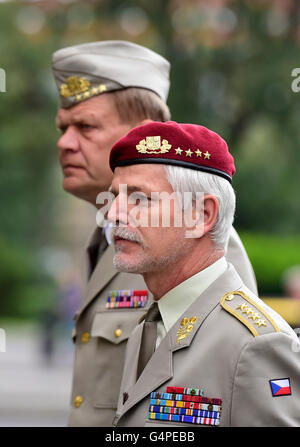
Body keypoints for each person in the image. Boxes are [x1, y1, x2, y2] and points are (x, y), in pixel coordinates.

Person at [52, 40, 257, 426]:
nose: (65, 142)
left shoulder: (198, 243)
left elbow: (228, 382)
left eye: (86, 126)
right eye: (63, 128)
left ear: (144, 133)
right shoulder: (103, 238)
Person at [107, 121, 300, 427]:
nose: (113, 212)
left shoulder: (257, 344)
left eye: (139, 198)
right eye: (116, 195)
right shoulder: (147, 326)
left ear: (202, 216)